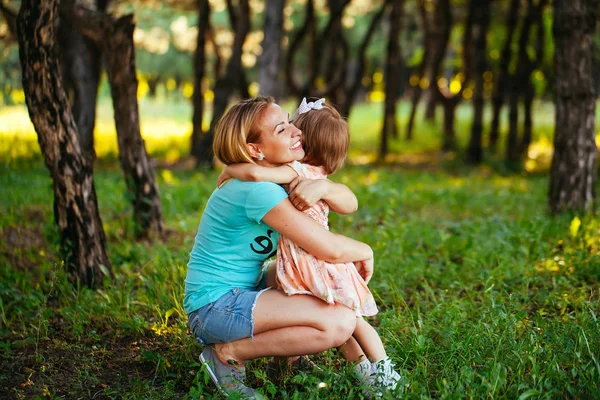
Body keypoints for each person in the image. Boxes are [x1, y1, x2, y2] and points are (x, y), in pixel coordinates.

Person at [184, 96, 377, 398]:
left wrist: (325, 187)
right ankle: (227, 353)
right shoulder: (259, 193)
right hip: (213, 309)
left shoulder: (275, 179)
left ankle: (293, 362)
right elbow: (328, 248)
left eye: (289, 122)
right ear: (255, 150)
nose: (296, 132)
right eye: (280, 130)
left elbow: (346, 200)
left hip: (240, 291)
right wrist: (365, 251)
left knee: (314, 280)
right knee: (338, 321)